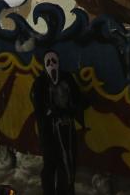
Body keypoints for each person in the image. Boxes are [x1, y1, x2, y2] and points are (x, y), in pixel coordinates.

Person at [31, 50, 85, 195]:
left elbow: (77, 98)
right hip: (48, 131)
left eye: (54, 61)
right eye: (48, 62)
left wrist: (72, 111)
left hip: (67, 129)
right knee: (50, 163)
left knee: (67, 162)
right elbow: (38, 107)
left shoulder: (67, 78)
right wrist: (51, 114)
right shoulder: (40, 82)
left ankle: (66, 191)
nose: (52, 65)